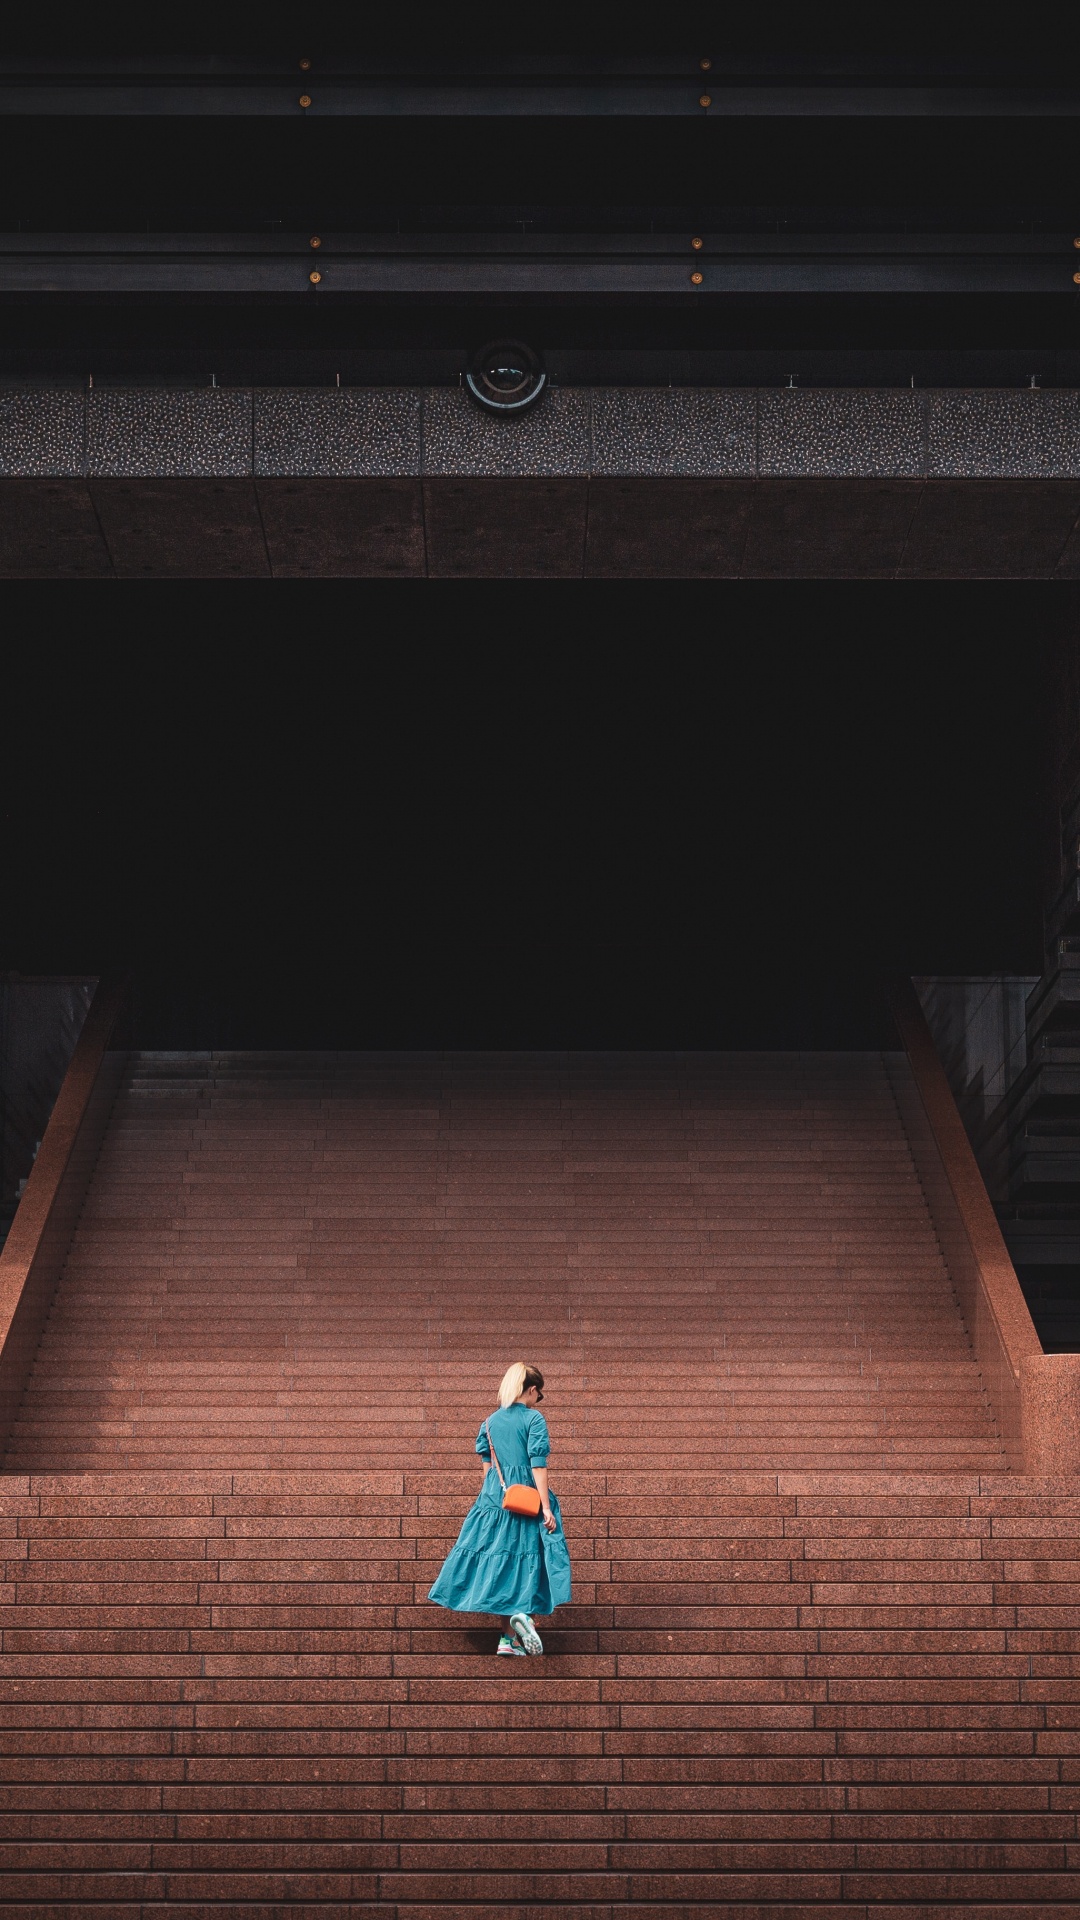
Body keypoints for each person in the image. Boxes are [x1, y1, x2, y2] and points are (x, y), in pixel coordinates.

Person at [428, 1361, 571, 1655]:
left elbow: (488, 1467)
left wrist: (491, 1499)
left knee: (502, 1564)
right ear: (531, 1390)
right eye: (538, 1394)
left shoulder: (489, 1422)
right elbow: (538, 1465)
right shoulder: (534, 1420)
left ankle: (508, 1640)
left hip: (496, 1500)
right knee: (530, 1559)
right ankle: (525, 1619)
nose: (538, 1400)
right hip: (527, 1497)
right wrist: (545, 1507)